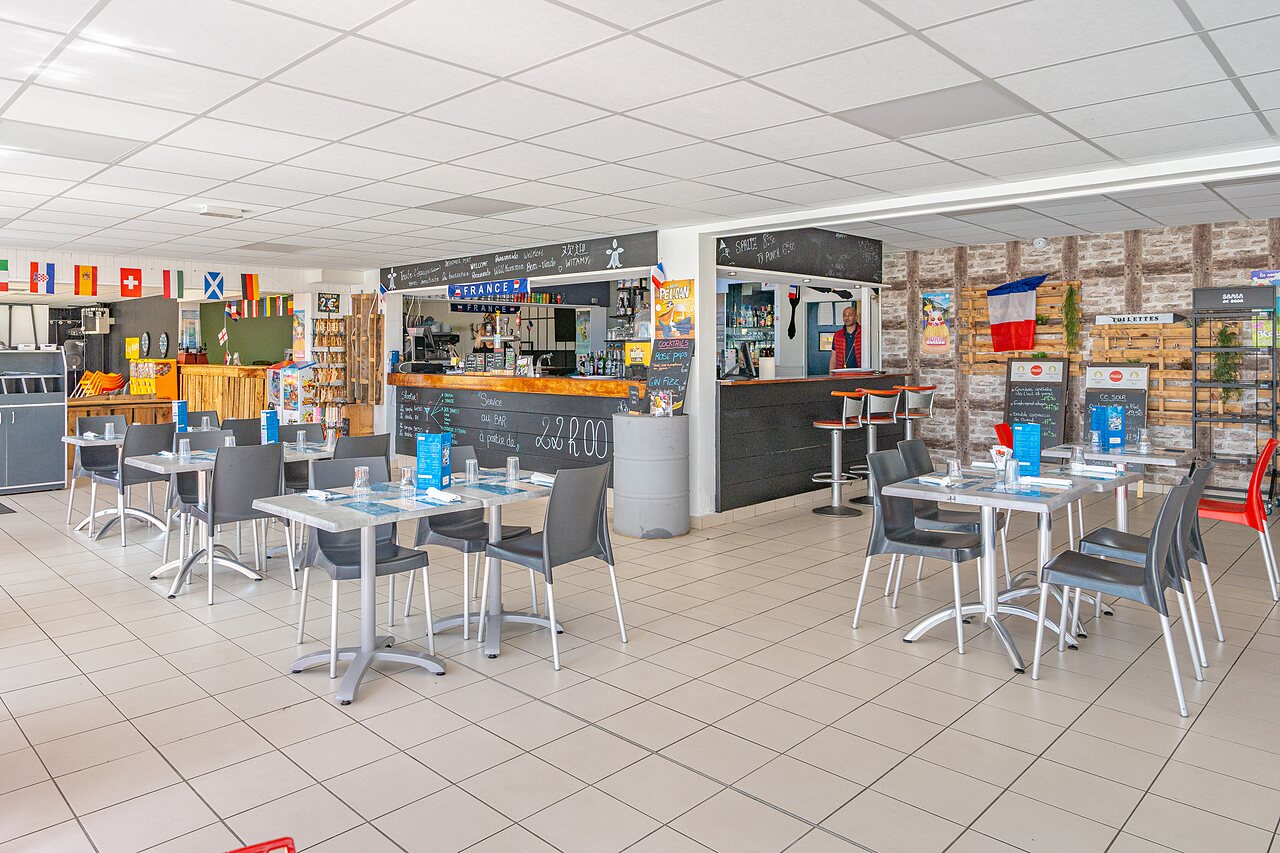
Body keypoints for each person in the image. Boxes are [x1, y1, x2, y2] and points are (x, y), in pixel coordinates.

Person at [829, 305, 862, 372]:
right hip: (841, 373)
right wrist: (831, 375)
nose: (847, 318)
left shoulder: (864, 333)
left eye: (850, 315)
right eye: (844, 315)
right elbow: (833, 357)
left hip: (861, 373)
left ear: (856, 317)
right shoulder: (838, 335)